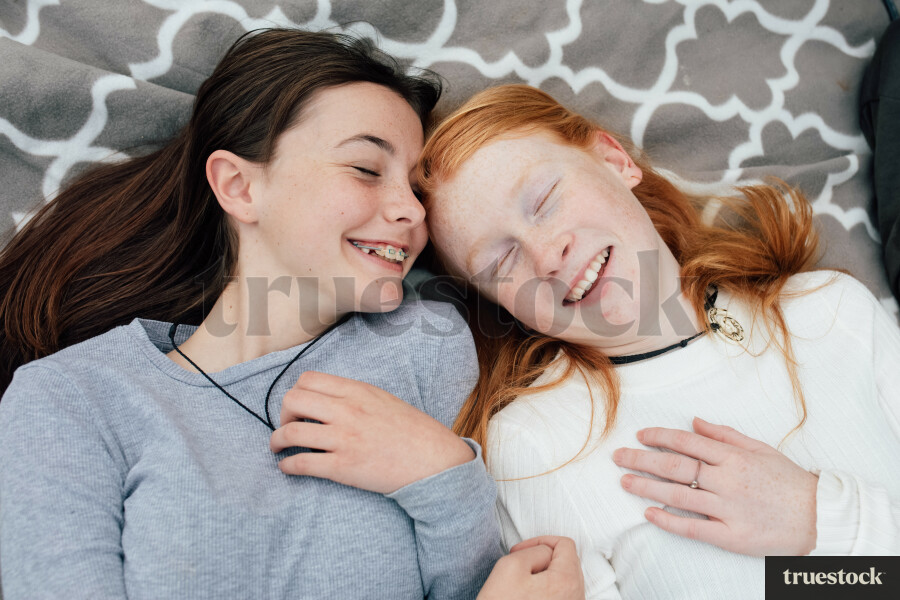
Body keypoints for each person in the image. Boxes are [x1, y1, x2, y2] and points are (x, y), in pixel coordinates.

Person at [0, 28, 518, 600]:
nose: (409, 211)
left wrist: (442, 474)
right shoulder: (71, 398)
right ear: (240, 187)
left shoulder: (428, 344)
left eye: (418, 190)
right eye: (367, 169)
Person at [418, 84, 900, 598]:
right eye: (500, 263)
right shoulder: (535, 445)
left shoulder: (830, 310)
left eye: (544, 201)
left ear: (615, 160)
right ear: (502, 306)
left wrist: (818, 516)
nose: (546, 255)